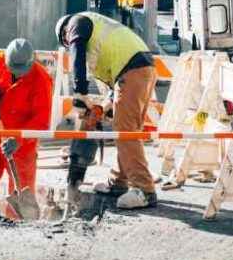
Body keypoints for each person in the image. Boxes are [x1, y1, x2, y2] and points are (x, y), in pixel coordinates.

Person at [55, 11, 158, 209]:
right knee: (127, 129)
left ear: (64, 35)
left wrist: (80, 93)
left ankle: (144, 190)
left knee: (125, 130)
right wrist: (104, 107)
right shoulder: (100, 34)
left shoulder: (76, 22)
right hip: (140, 68)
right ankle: (119, 182)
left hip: (133, 69)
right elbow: (115, 82)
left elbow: (77, 51)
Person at [0, 38, 54, 210]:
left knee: (22, 194)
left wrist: (18, 140)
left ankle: (18, 225)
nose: (16, 72)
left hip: (22, 145)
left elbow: (41, 121)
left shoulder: (41, 79)